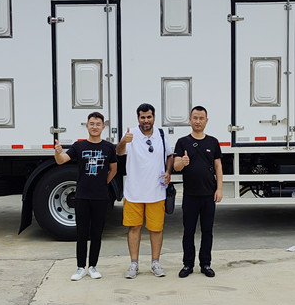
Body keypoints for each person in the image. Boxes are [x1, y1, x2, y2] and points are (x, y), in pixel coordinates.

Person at [54, 111, 117, 281]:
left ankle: (93, 266)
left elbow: (114, 169)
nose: (95, 127)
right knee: (82, 233)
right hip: (82, 196)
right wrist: (57, 152)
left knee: (97, 233)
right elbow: (61, 161)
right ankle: (80, 267)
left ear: (103, 127)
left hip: (101, 197)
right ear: (87, 126)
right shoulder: (79, 146)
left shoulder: (109, 147)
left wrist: (103, 183)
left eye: (98, 124)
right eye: (92, 123)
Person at [117, 103, 173, 278]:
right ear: (138, 118)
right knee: (134, 227)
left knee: (156, 229)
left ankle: (155, 263)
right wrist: (123, 141)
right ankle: (134, 264)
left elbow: (170, 155)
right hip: (134, 191)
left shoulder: (161, 134)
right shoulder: (130, 135)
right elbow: (119, 153)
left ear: (153, 117)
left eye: (149, 117)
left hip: (156, 190)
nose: (146, 120)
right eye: (143, 117)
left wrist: (168, 172)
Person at [173, 106, 223, 278]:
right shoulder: (182, 142)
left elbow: (218, 166)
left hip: (209, 195)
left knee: (207, 231)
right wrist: (183, 162)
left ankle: (206, 264)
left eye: (201, 118)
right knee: (188, 231)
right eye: (195, 118)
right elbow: (176, 166)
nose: (198, 121)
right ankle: (187, 264)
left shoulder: (213, 142)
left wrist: (220, 189)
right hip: (190, 196)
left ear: (206, 121)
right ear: (189, 119)